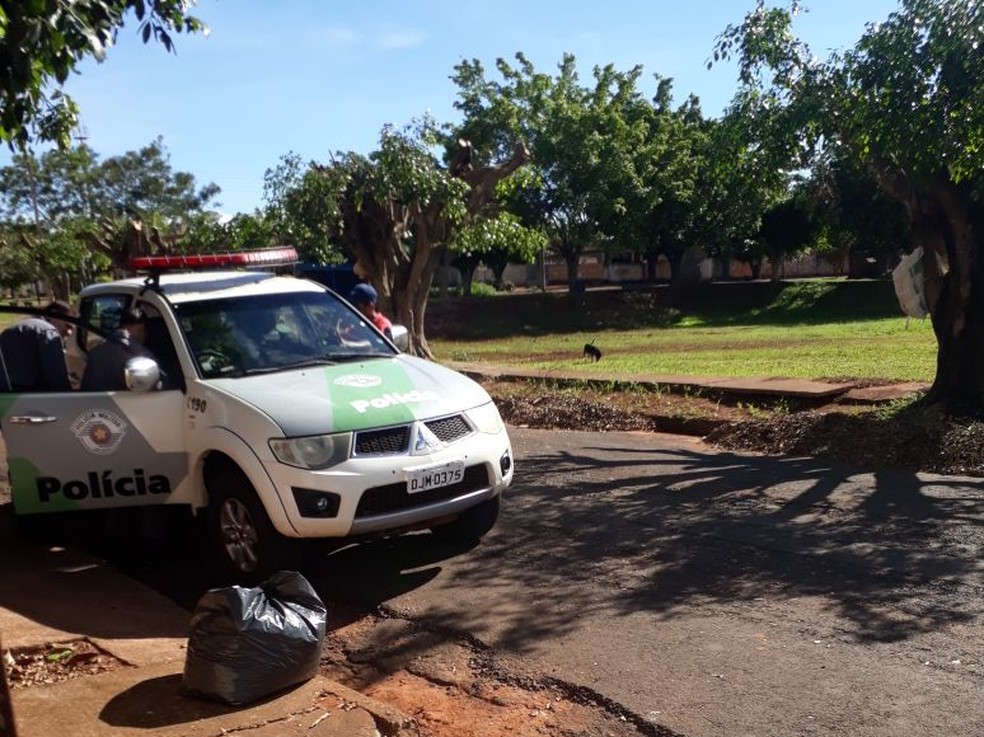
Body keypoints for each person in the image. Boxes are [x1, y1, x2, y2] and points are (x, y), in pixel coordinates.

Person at [0, 299, 76, 392]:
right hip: (32, 397)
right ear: (54, 314)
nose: (69, 332)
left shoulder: (15, 328)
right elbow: (57, 378)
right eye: (68, 326)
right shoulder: (48, 331)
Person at [80, 307, 155, 391]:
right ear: (140, 326)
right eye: (145, 329)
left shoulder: (94, 353)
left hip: (96, 403)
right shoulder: (142, 356)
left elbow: (85, 389)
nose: (145, 335)